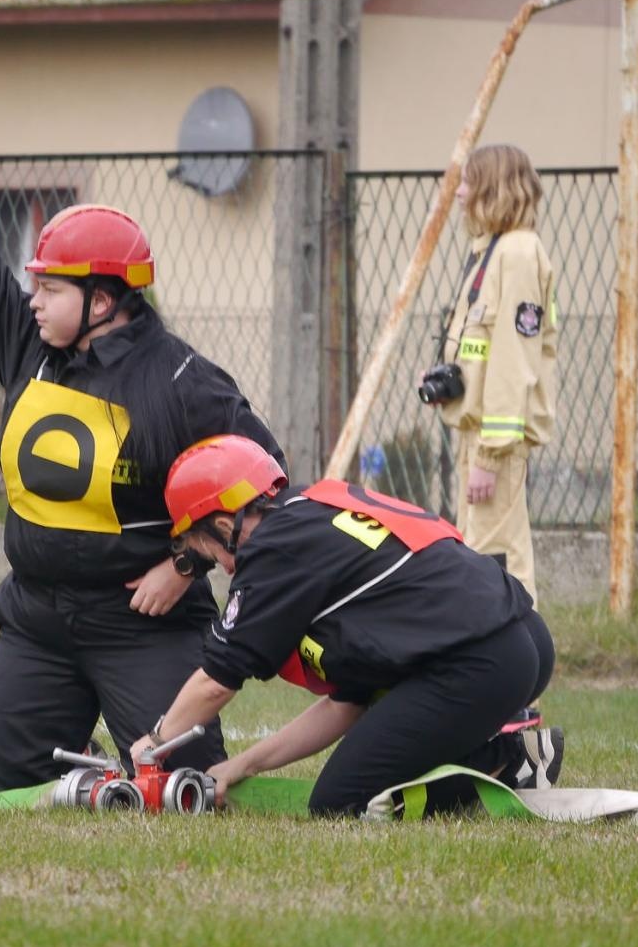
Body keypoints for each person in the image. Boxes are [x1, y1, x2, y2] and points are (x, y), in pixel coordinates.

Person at [0, 53, 284, 796]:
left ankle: (118, 751)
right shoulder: (28, 343)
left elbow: (265, 485)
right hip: (35, 622)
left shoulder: (182, 381)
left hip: (140, 626)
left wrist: (186, 566)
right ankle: (74, 747)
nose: (33, 299)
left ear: (107, 298)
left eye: (50, 288)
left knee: (178, 791)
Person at [128, 435, 560, 818]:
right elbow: (345, 704)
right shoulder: (309, 512)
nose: (219, 567)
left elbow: (216, 682)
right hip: (522, 639)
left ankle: (506, 758)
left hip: (482, 662)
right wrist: (243, 765)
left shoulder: (273, 551)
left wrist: (155, 739)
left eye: (205, 550)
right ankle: (500, 750)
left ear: (223, 525)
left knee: (340, 803)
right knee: (358, 774)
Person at [421, 143, 558, 603]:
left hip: (492, 445)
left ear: (492, 188)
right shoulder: (492, 252)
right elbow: (483, 351)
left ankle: (513, 665)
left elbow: (513, 364)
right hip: (476, 437)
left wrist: (491, 457)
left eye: (467, 182)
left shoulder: (517, 254)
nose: (458, 193)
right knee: (481, 561)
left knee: (495, 565)